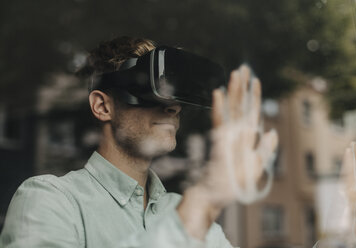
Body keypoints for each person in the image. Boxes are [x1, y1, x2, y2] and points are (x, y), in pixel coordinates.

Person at [0, 36, 278, 248]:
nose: (173, 107)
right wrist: (202, 203)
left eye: (175, 96)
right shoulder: (50, 201)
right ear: (102, 106)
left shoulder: (191, 216)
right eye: (150, 89)